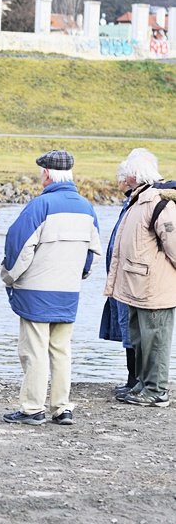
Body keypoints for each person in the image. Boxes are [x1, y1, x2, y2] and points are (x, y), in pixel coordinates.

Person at [0, 150, 101, 426]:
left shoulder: (39, 206)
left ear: (46, 173)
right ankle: (62, 407)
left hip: (36, 291)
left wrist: (8, 277)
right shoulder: (87, 208)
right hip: (68, 292)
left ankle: (32, 408)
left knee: (34, 350)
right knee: (61, 350)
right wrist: (77, 277)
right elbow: (91, 255)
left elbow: (18, 246)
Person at [105, 148, 176, 408]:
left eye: (128, 173)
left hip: (154, 287)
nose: (124, 178)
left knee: (155, 340)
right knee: (141, 340)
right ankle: (142, 385)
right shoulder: (139, 200)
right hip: (137, 286)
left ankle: (156, 390)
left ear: (136, 175)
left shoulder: (158, 203)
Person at [98, 160, 138, 397]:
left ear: (131, 178)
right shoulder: (131, 202)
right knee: (128, 330)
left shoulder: (139, 202)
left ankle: (135, 380)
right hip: (122, 278)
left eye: (121, 177)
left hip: (130, 279)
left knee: (132, 331)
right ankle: (132, 379)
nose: (118, 181)